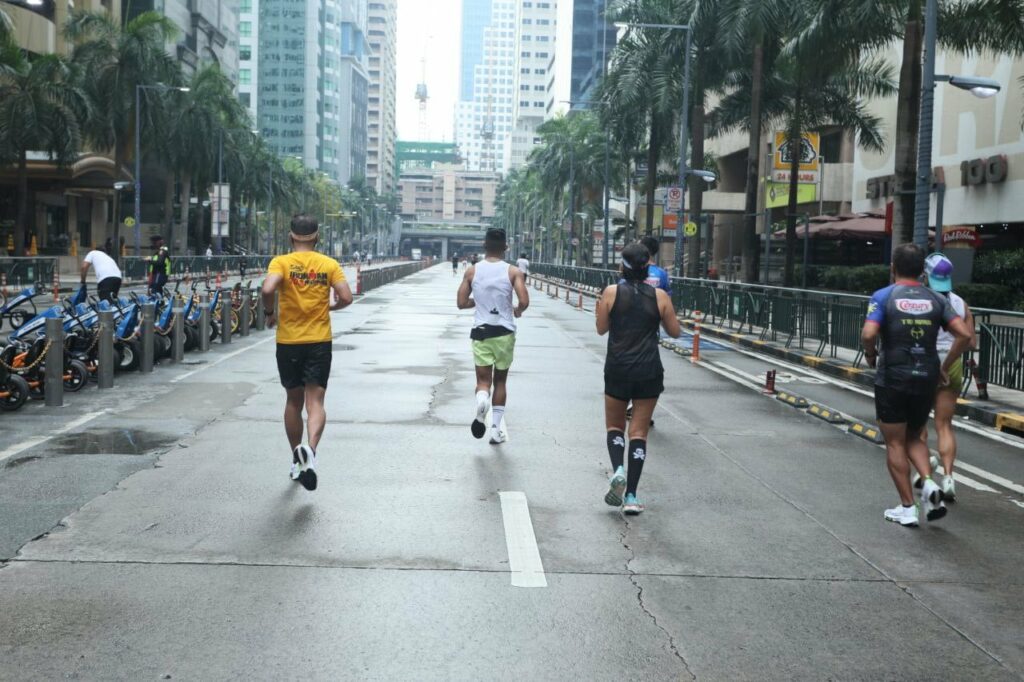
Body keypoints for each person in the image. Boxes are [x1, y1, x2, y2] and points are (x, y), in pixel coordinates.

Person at [861, 243, 972, 527]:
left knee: (895, 441)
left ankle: (908, 507)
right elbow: (964, 335)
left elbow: (869, 333)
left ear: (893, 268)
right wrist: (944, 367)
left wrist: (871, 355)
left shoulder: (884, 296)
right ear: (923, 272)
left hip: (894, 376)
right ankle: (928, 482)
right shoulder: (937, 299)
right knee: (913, 435)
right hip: (927, 376)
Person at [262, 214, 353, 491]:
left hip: (288, 341)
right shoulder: (328, 264)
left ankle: (297, 459)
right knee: (316, 402)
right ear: (316, 237)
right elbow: (347, 297)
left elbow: (267, 288)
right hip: (318, 341)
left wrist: (270, 312)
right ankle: (310, 450)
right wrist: (331, 308)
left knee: (293, 401)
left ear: (291, 237)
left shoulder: (282, 263)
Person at [596, 242, 681, 515]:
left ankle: (618, 468)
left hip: (618, 368)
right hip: (648, 371)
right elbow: (675, 332)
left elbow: (601, 329)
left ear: (622, 266)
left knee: (614, 428)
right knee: (639, 433)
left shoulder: (610, 293)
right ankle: (631, 496)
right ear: (648, 268)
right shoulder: (660, 297)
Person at [457, 228, 529, 444]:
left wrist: (478, 302)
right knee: (501, 381)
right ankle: (496, 430)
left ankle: (481, 400)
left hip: (481, 332)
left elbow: (461, 303)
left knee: (483, 381)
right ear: (506, 248)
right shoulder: (513, 271)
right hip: (504, 332)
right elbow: (524, 301)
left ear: (484, 246)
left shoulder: (472, 271)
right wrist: (516, 310)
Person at [915, 253, 976, 502]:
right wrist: (949, 362)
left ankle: (926, 471)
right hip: (952, 366)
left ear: (926, 275)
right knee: (944, 425)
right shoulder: (961, 304)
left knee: (918, 424)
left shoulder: (919, 300)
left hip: (925, 364)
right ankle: (949, 477)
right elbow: (970, 341)